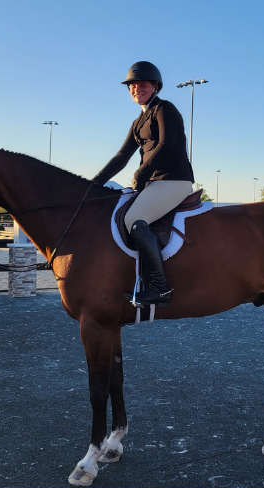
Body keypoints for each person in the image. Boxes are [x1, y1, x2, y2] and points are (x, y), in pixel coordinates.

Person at [91, 61, 195, 305]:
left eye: (143, 85)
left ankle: (160, 287)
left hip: (174, 179)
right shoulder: (138, 122)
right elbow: (121, 156)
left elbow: (166, 145)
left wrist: (141, 173)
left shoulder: (164, 109)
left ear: (155, 87)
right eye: (133, 86)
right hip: (155, 182)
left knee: (134, 220)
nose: (137, 89)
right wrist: (94, 183)